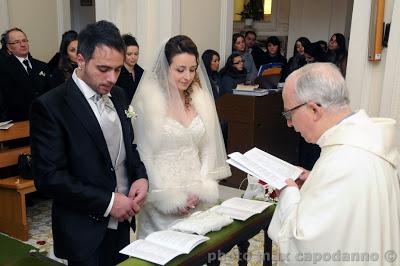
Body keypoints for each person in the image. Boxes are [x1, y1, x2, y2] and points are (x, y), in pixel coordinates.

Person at [30, 20, 148, 266]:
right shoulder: (51, 105)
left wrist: (140, 176)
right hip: (83, 229)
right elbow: (49, 177)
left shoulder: (118, 95)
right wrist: (108, 202)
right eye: (104, 68)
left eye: (117, 69)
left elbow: (129, 147)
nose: (112, 78)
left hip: (123, 221)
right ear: (81, 60)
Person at [268, 63, 400, 266]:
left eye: (289, 114)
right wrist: (315, 181)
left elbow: (305, 244)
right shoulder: (366, 143)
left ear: (314, 109)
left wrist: (289, 193)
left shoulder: (343, 161)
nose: (289, 124)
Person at [131, 35, 231, 239]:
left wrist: (201, 186)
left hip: (197, 196)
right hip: (161, 198)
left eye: (192, 69)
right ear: (166, 67)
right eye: (180, 70)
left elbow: (208, 147)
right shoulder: (148, 101)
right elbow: (143, 155)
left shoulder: (201, 99)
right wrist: (169, 199)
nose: (187, 76)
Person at [0, 27, 51, 121]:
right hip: (18, 121)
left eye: (24, 40)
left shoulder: (42, 66)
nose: (22, 44)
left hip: (44, 119)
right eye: (17, 42)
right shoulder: (3, 68)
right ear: (9, 47)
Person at [115, 34, 144, 105]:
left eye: (136, 54)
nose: (133, 57)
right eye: (129, 54)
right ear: (122, 54)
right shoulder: (117, 72)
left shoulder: (141, 72)